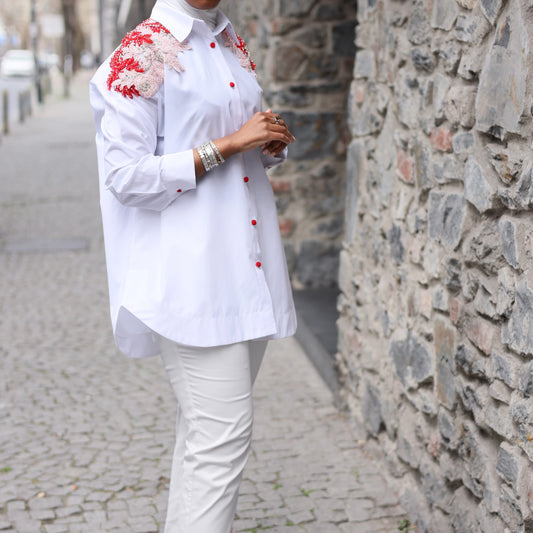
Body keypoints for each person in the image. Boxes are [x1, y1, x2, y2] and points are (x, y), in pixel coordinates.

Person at [89, 0, 297, 531]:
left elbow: (242, 139)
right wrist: (228, 145)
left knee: (205, 439)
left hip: (246, 271)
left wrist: (266, 143)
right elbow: (126, 176)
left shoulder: (229, 40)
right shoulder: (146, 49)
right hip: (192, 280)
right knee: (222, 438)